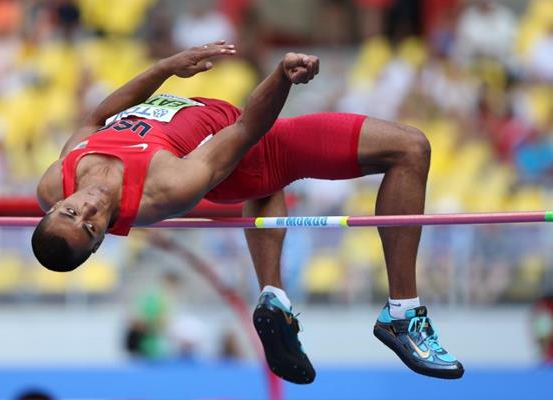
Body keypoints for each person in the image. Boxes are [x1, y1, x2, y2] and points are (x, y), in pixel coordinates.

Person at [32, 41, 464, 383]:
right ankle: (403, 315)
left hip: (234, 136)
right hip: (255, 147)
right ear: (100, 241)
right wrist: (280, 77)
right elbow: (245, 131)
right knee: (410, 147)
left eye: (71, 212)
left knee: (269, 188)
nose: (87, 209)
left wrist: (167, 67)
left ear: (56, 205)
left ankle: (273, 298)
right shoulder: (162, 189)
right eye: (90, 228)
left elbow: (99, 115)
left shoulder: (56, 178)